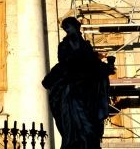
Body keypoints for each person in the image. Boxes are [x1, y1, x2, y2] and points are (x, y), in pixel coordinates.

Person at [41, 16, 114, 149]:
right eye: (65, 29)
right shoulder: (64, 45)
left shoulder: (85, 45)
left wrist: (106, 68)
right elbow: (64, 62)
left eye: (68, 27)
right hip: (71, 90)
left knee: (90, 128)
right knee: (71, 124)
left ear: (76, 27)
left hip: (87, 89)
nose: (67, 31)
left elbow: (94, 63)